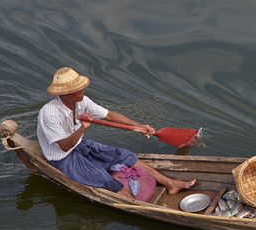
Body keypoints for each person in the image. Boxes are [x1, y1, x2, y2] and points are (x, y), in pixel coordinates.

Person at [37, 66, 196, 198]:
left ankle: (170, 183)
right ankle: (136, 206)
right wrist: (82, 128)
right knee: (102, 178)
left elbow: (110, 115)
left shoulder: (82, 101)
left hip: (80, 146)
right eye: (78, 89)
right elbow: (64, 146)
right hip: (62, 158)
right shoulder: (49, 113)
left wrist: (139, 126)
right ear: (66, 93)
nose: (83, 90)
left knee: (124, 155)